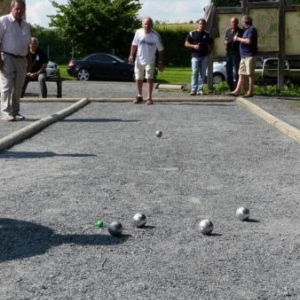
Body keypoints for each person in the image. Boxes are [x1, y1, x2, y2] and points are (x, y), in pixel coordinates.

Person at [0, 0, 31, 121]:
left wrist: (29, 61)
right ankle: (5, 112)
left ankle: (15, 111)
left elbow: (28, 45)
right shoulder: (4, 21)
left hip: (21, 58)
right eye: (17, 8)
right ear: (11, 8)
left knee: (18, 87)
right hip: (6, 57)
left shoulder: (26, 25)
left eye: (22, 9)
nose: (19, 11)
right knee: (7, 85)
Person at [128, 17, 164, 105]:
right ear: (142, 24)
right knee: (138, 78)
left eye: (148, 24)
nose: (147, 26)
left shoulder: (155, 35)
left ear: (151, 25)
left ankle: (149, 97)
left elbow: (161, 50)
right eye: (145, 24)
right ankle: (139, 95)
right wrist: (131, 55)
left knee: (149, 78)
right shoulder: (138, 32)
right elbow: (134, 44)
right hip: (139, 59)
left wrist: (160, 62)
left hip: (150, 60)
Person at [229, 15, 258, 98]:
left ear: (244, 22)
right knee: (241, 73)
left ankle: (250, 92)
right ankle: (237, 91)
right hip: (244, 56)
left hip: (249, 55)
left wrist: (238, 39)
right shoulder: (246, 30)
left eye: (242, 22)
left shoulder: (252, 29)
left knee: (250, 74)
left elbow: (248, 41)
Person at [184, 19, 214, 96]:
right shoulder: (192, 33)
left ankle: (200, 89)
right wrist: (194, 46)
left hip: (204, 57)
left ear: (205, 25)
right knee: (194, 73)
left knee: (202, 73)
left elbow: (212, 44)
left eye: (203, 24)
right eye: (200, 24)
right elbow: (186, 43)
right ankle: (193, 89)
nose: (202, 25)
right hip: (195, 56)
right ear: (198, 24)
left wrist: (208, 52)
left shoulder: (207, 34)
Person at [224, 17, 244, 91]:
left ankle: (237, 89)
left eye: (235, 22)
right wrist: (225, 43)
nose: (234, 23)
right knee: (228, 72)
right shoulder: (228, 31)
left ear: (237, 23)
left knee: (236, 72)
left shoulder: (241, 31)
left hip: (237, 53)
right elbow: (225, 40)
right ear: (230, 23)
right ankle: (231, 88)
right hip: (228, 53)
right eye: (232, 22)